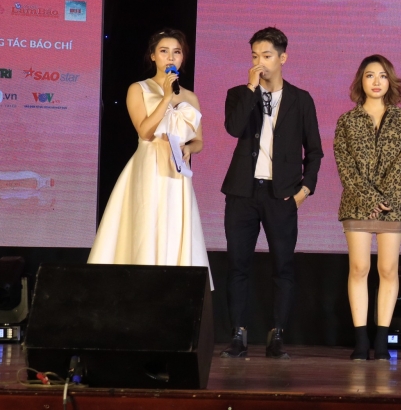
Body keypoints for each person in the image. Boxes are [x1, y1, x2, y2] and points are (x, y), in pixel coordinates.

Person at [220, 27, 324, 360]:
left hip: (282, 195)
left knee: (283, 266)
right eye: (254, 56)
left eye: (266, 56)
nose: (259, 62)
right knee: (238, 265)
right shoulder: (239, 94)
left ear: (283, 58)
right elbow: (234, 128)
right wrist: (251, 89)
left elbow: (315, 151)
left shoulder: (301, 99)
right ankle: (237, 334)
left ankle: (277, 334)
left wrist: (305, 190)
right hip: (242, 192)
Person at [89, 29, 212, 288]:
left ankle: (172, 288)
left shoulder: (190, 96)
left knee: (174, 225)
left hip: (177, 171)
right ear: (153, 56)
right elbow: (145, 131)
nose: (171, 57)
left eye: (177, 52)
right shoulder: (139, 89)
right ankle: (141, 286)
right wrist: (166, 97)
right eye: (164, 51)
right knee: (148, 223)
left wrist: (190, 148)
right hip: (149, 165)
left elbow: (199, 140)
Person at [334, 55, 401, 361]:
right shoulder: (347, 121)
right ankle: (361, 340)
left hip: (392, 206)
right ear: (361, 81)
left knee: (388, 270)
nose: (377, 81)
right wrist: (369, 198)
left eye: (382, 75)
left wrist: (386, 198)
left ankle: (381, 340)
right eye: (370, 75)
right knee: (359, 268)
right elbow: (345, 165)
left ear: (390, 81)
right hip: (357, 205)